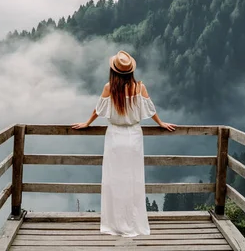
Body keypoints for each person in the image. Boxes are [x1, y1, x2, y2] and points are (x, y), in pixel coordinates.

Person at [71, 50, 177, 237]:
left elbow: (98, 110)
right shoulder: (139, 88)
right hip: (134, 137)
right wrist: (161, 123)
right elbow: (150, 110)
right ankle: (133, 222)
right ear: (130, 71)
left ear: (114, 71)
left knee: (114, 181)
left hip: (114, 137)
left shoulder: (109, 88)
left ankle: (115, 223)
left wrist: (87, 123)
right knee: (134, 180)